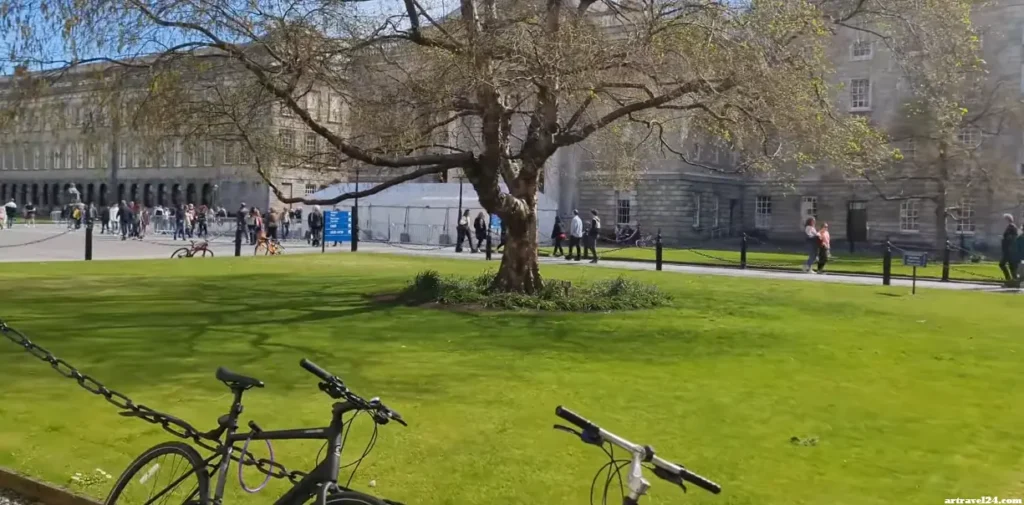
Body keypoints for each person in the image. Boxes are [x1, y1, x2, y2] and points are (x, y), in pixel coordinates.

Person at [999, 213, 1019, 282]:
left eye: (1004, 219)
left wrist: (1004, 239)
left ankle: (1011, 279)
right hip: (1008, 250)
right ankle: (1012, 280)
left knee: (1003, 264)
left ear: (1007, 219)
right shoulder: (1010, 227)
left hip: (1009, 250)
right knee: (1011, 266)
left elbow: (1013, 238)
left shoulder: (1012, 227)